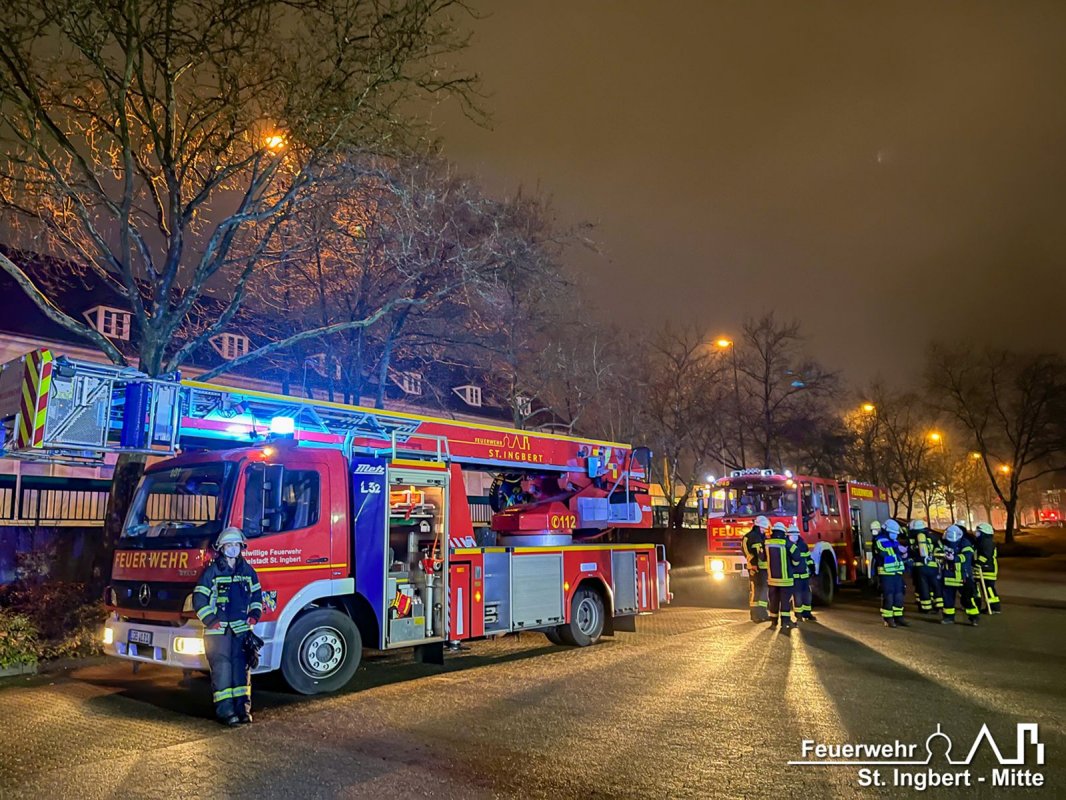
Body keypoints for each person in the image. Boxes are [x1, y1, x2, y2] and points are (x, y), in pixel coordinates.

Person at [193, 527, 263, 725]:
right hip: (218, 631)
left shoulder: (247, 570)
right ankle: (226, 712)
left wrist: (254, 615)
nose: (233, 549)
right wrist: (211, 621)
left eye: (236, 545)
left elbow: (257, 595)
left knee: (241, 669)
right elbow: (199, 599)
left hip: (240, 630)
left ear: (241, 547)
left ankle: (243, 711)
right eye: (229, 545)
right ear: (221, 548)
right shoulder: (212, 572)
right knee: (223, 670)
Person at [765, 521, 801, 634]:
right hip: (786, 580)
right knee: (785, 601)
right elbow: (797, 558)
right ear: (783, 532)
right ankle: (785, 622)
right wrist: (794, 566)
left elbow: (762, 557)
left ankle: (773, 622)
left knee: (773, 601)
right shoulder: (787, 544)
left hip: (772, 579)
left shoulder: (766, 543)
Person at [940, 524, 979, 626]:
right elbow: (937, 551)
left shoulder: (965, 542)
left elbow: (967, 556)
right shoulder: (943, 542)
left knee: (967, 599)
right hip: (948, 576)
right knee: (948, 599)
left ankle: (974, 617)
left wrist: (955, 558)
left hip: (963, 576)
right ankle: (948, 618)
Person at [873, 520, 909, 628]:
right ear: (887, 530)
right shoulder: (880, 540)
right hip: (886, 573)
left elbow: (897, 554)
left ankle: (899, 617)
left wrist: (904, 555)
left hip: (896, 573)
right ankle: (888, 619)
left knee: (899, 595)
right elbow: (885, 553)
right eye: (894, 532)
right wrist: (897, 550)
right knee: (889, 597)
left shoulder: (893, 541)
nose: (896, 535)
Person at [908, 519, 942, 614]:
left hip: (920, 567)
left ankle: (925, 607)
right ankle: (939, 605)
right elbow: (940, 549)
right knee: (935, 586)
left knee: (923, 587)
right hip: (933, 566)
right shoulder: (934, 537)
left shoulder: (913, 538)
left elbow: (910, 552)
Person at [741, 515, 771, 622]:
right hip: (754, 568)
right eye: (763, 528)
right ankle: (754, 615)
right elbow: (747, 552)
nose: (764, 530)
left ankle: (763, 613)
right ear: (759, 526)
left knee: (764, 590)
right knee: (755, 590)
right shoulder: (749, 537)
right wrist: (753, 563)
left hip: (763, 569)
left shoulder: (762, 537)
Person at [788, 524, 815, 621]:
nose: (793, 536)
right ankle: (798, 614)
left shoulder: (803, 545)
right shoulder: (787, 546)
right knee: (797, 596)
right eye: (791, 534)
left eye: (795, 534)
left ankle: (807, 613)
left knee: (807, 595)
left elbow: (808, 557)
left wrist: (812, 566)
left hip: (804, 575)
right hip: (794, 577)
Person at [974, 522, 1001, 614]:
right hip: (983, 570)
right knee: (982, 589)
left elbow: (986, 555)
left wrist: (978, 563)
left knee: (989, 589)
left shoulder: (987, 542)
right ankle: (989, 607)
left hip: (987, 570)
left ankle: (994, 607)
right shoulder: (981, 541)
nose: (976, 533)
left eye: (978, 531)